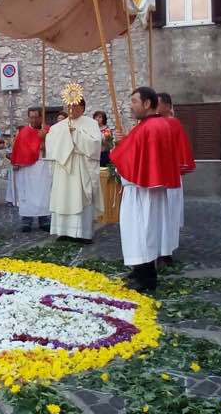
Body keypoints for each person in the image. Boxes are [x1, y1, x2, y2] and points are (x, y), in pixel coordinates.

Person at [110, 87, 181, 291]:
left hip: (142, 189)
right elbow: (137, 152)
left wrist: (120, 148)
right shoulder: (152, 125)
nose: (131, 106)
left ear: (147, 103)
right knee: (142, 231)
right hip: (145, 187)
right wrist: (124, 143)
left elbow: (136, 160)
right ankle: (140, 271)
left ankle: (146, 277)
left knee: (141, 231)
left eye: (134, 101)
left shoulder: (150, 127)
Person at [46, 97, 102, 243]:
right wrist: (64, 136)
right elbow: (51, 145)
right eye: (69, 106)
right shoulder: (57, 127)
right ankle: (63, 231)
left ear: (82, 107)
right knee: (63, 197)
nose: (71, 109)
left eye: (75, 106)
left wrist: (76, 134)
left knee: (81, 198)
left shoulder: (91, 124)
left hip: (81, 165)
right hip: (63, 168)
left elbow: (95, 145)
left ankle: (83, 233)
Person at [157, 93, 195, 266]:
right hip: (156, 176)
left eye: (158, 104)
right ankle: (156, 248)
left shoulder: (172, 123)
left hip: (169, 176)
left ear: (167, 106)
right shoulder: (152, 123)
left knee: (169, 214)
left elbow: (177, 149)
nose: (155, 107)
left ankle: (166, 252)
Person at [9, 107, 52, 232]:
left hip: (43, 167)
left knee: (43, 194)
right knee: (27, 194)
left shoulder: (48, 130)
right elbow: (19, 149)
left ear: (41, 117)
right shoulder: (24, 132)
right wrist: (17, 162)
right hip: (27, 169)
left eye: (36, 117)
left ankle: (44, 220)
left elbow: (55, 147)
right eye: (31, 117)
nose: (33, 120)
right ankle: (26, 221)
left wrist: (45, 138)